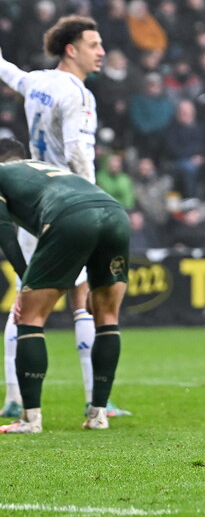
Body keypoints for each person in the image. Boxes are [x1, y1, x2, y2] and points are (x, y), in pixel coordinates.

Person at [0, 15, 129, 419]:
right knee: (84, 303)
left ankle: (14, 396)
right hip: (70, 208)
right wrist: (91, 195)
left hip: (31, 206)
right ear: (71, 49)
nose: (102, 51)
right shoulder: (78, 95)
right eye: (94, 44)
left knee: (24, 302)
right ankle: (98, 399)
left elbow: (8, 72)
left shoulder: (37, 82)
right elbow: (78, 152)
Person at [0, 138, 129, 433]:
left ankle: (30, 419)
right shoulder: (44, 169)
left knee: (29, 318)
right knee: (107, 318)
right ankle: (98, 415)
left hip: (70, 218)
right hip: (114, 213)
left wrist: (25, 282)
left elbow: (4, 231)